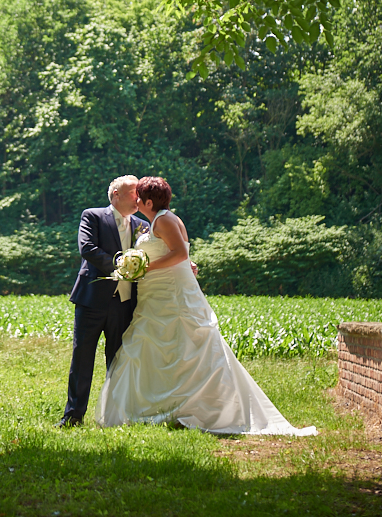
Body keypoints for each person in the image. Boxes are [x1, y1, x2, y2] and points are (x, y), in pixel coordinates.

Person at [95, 176, 317, 436]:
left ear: (148, 201)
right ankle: (165, 406)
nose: (135, 200)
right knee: (156, 345)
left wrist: (145, 267)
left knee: (181, 345)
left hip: (170, 294)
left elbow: (180, 253)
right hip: (156, 293)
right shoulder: (158, 220)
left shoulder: (165, 219)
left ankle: (187, 406)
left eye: (138, 196)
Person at [59, 175, 146, 427]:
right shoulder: (93, 216)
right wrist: (120, 263)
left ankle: (114, 416)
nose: (138, 198)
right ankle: (73, 416)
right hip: (92, 300)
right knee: (82, 358)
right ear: (116, 194)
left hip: (125, 303)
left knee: (118, 361)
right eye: (133, 192)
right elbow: (87, 248)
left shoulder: (142, 225)